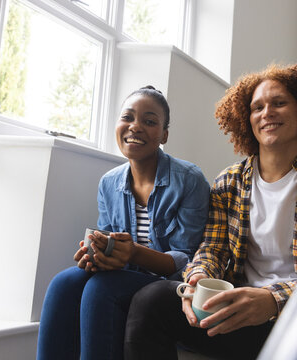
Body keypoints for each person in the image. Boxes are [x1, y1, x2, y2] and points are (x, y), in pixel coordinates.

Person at [124, 63, 297, 360]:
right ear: (248, 120)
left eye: (279, 103)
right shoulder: (228, 182)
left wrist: (273, 299)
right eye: (257, 107)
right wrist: (196, 279)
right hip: (237, 314)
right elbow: (213, 249)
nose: (266, 113)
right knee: (151, 299)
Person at [36, 86, 210, 360]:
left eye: (150, 121)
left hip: (167, 284)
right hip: (124, 273)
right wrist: (96, 254)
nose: (135, 127)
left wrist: (133, 253)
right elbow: (106, 240)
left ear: (164, 134)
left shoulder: (189, 179)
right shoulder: (109, 182)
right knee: (63, 283)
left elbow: (187, 259)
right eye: (127, 117)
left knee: (100, 289)